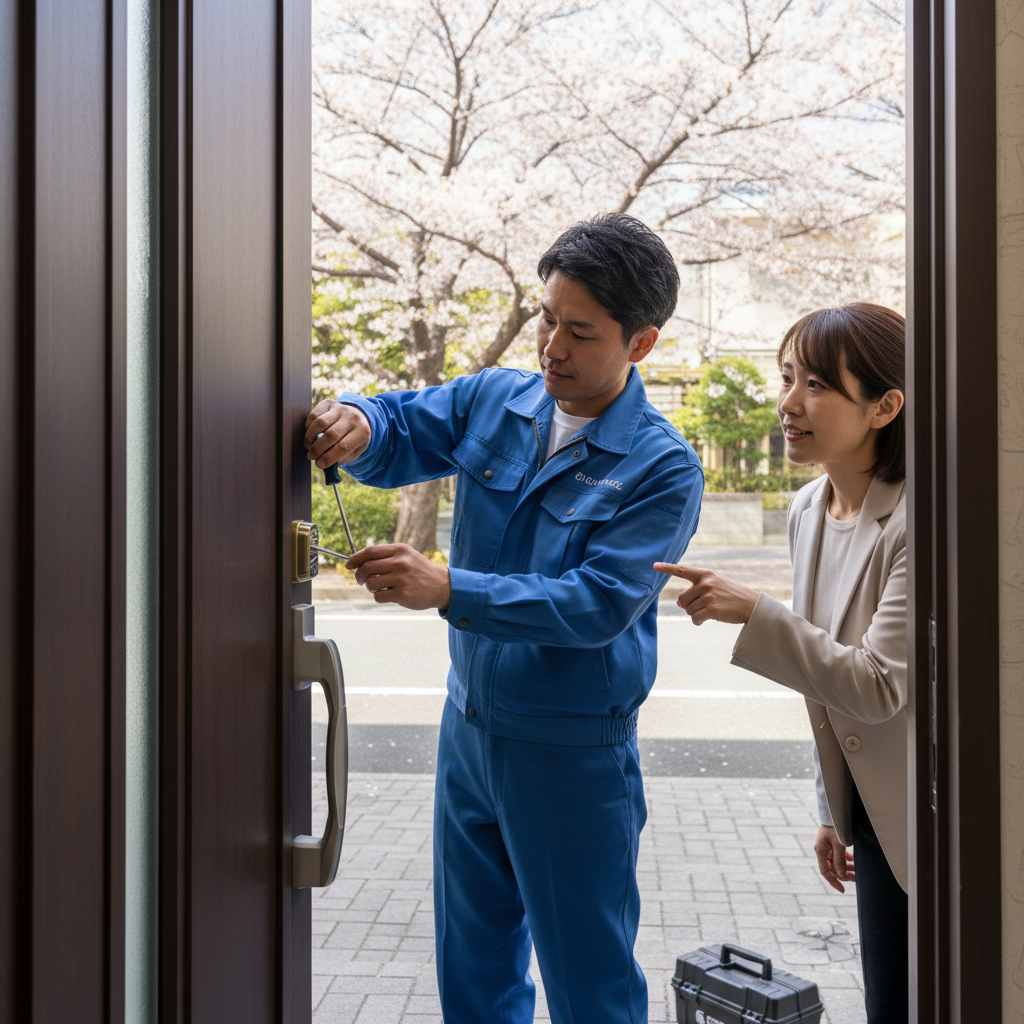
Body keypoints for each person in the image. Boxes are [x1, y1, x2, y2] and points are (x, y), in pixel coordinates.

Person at [304, 214, 704, 1024]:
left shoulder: (662, 467)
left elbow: (596, 605)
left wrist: (449, 589)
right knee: (473, 969)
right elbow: (402, 428)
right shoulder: (498, 399)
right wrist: (357, 423)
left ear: (641, 344)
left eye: (579, 331)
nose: (551, 345)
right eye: (547, 317)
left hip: (570, 755)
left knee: (589, 984)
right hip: (469, 732)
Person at [655, 303, 908, 1024]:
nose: (789, 403)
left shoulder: (920, 519)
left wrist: (755, 612)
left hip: (932, 815)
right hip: (870, 811)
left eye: (818, 385)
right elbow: (822, 678)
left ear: (885, 406)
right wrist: (834, 808)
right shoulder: (807, 507)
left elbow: (879, 682)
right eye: (788, 377)